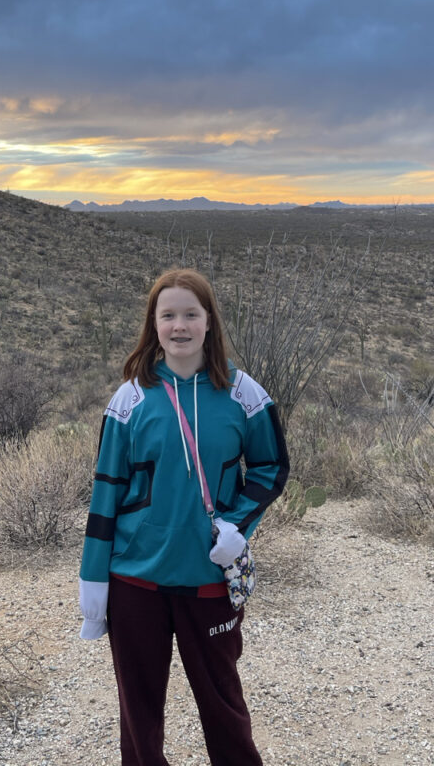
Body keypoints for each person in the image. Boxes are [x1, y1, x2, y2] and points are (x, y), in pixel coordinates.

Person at [79, 267, 289, 766]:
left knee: (223, 706)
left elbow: (271, 465)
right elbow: (105, 494)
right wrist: (93, 580)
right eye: (167, 315)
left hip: (208, 578)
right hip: (135, 582)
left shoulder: (245, 396)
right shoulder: (129, 400)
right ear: (153, 325)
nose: (179, 326)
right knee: (139, 712)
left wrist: (238, 525)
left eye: (190, 314)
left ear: (209, 321)